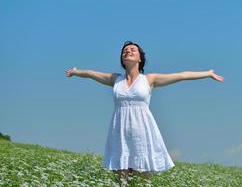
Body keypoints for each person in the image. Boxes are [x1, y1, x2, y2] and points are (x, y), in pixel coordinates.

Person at [65, 41, 224, 184]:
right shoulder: (116, 79)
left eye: (132, 49)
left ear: (140, 58)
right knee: (122, 182)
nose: (127, 51)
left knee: (141, 182)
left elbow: (182, 75)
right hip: (120, 134)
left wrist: (207, 73)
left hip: (143, 134)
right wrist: (76, 71)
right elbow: (91, 74)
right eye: (124, 50)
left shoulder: (149, 79)